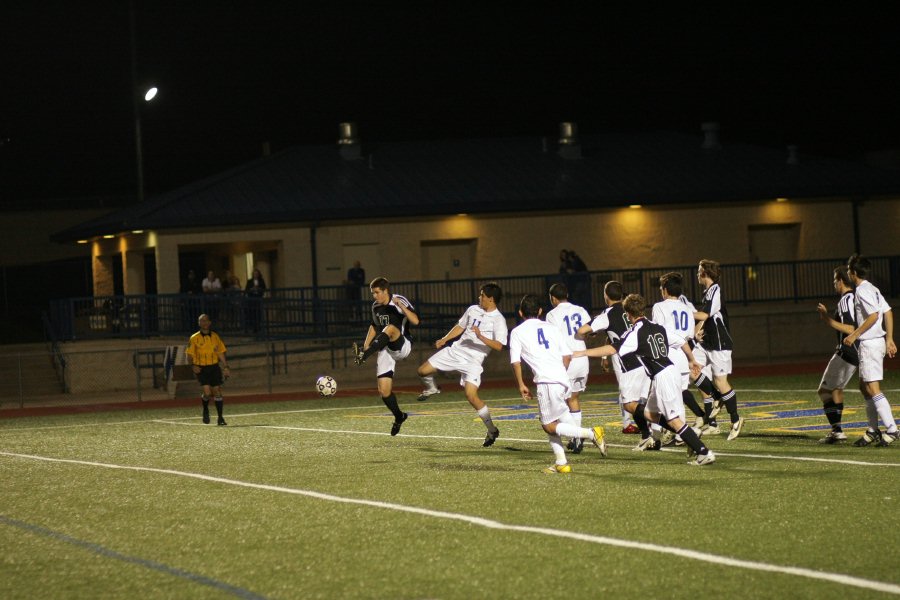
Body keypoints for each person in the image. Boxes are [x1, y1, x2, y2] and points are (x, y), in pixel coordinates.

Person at [575, 294, 715, 465]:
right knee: (649, 413)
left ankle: (703, 451)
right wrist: (691, 359)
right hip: (665, 373)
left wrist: (583, 352)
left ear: (628, 314)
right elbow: (682, 342)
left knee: (673, 420)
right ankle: (690, 436)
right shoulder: (657, 326)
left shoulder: (634, 333)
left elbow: (613, 349)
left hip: (663, 377)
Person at [509, 294, 607, 473]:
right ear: (540, 311)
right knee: (558, 418)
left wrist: (521, 384)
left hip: (547, 381)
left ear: (520, 312)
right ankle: (561, 462)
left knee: (548, 425)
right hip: (562, 378)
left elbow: (516, 362)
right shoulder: (552, 328)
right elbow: (567, 356)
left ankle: (591, 433)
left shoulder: (517, 332)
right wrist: (561, 373)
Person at [416, 282, 508, 447]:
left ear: (491, 299)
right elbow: (460, 326)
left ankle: (492, 430)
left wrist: (481, 337)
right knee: (422, 371)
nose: (479, 297)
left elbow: (499, 346)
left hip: (474, 360)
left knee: (471, 396)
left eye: (482, 295)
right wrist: (445, 339)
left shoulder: (499, 320)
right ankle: (432, 388)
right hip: (455, 351)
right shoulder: (473, 309)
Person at [576, 280, 654, 449]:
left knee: (630, 403)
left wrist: (590, 332)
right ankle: (648, 434)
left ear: (605, 295)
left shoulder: (608, 314)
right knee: (641, 399)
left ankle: (663, 425)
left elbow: (582, 331)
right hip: (646, 357)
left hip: (627, 361)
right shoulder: (630, 309)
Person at [841, 255, 898, 446]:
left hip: (870, 344)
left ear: (854, 273)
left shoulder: (862, 290)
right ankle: (873, 430)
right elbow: (888, 311)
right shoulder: (872, 288)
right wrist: (889, 338)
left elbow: (874, 316)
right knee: (864, 387)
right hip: (875, 342)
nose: (848, 272)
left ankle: (892, 429)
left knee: (872, 388)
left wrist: (855, 335)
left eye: (849, 269)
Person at [352, 277, 420, 436]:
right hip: (385, 349)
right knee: (384, 391)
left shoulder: (399, 300)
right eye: (372, 293)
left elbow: (416, 321)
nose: (374, 296)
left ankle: (365, 356)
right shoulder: (375, 306)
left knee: (390, 328)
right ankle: (399, 416)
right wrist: (365, 346)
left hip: (402, 345)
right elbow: (374, 326)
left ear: (385, 291)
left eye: (376, 292)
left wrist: (401, 306)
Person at [651, 272, 707, 444]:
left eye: (662, 288)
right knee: (679, 398)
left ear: (665, 290)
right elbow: (691, 335)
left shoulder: (659, 307)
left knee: (659, 398)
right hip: (684, 356)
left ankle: (657, 436)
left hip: (667, 355)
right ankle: (680, 435)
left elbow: (658, 333)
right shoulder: (687, 309)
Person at [693, 259, 744, 441]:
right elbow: (704, 319)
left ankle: (736, 420)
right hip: (707, 343)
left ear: (706, 273)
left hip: (720, 344)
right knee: (691, 367)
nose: (697, 274)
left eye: (699, 271)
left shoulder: (715, 289)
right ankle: (717, 397)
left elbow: (704, 315)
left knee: (720, 381)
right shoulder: (707, 292)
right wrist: (694, 334)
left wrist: (681, 311)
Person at [813, 266, 858, 443]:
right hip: (854, 353)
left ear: (841, 281)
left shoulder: (846, 300)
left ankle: (836, 431)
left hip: (847, 352)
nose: (834, 284)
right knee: (837, 390)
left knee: (824, 391)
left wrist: (826, 318)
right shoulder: (855, 297)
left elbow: (850, 328)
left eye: (834, 281)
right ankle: (838, 430)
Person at [545, 282, 592, 453]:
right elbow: (589, 331)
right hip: (582, 358)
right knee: (573, 399)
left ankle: (578, 436)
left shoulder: (552, 315)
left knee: (559, 402)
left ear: (553, 298)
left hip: (566, 360)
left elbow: (552, 339)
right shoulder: (580, 310)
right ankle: (576, 437)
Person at [185, 313, 230, 426]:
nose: (204, 323)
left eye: (206, 320)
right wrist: (192, 366)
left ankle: (220, 418)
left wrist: (225, 366)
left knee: (217, 392)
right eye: (202, 321)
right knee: (207, 392)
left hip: (214, 367)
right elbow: (189, 355)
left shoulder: (215, 336)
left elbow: (220, 352)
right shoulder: (194, 338)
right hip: (201, 368)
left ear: (210, 322)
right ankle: (205, 409)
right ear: (199, 323)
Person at [244, 268, 267, 333]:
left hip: (259, 298)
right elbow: (247, 289)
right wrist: (251, 289)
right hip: (252, 299)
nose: (255, 275)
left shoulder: (261, 281)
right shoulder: (250, 281)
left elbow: (264, 288)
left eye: (257, 274)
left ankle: (259, 327)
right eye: (254, 274)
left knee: (259, 313)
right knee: (253, 314)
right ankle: (254, 327)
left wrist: (259, 288)